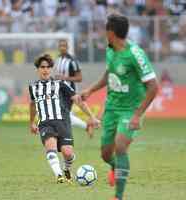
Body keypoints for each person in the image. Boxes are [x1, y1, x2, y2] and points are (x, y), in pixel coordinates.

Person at [81, 14, 159, 200]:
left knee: (121, 145)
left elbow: (154, 86)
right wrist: (90, 90)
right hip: (112, 107)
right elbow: (110, 74)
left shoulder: (135, 54)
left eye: (105, 30)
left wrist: (137, 115)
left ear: (110, 32)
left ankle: (118, 197)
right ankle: (116, 167)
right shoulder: (110, 50)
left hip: (130, 109)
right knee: (106, 154)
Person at [29, 54, 100, 184]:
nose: (45, 69)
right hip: (45, 123)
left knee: (68, 153)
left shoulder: (60, 84)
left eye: (48, 67)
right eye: (42, 67)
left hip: (63, 122)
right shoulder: (33, 87)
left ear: (51, 69)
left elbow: (78, 100)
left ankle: (66, 168)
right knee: (50, 148)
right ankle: (59, 175)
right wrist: (32, 123)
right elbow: (33, 104)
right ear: (38, 69)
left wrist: (92, 117)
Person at [54, 39, 92, 133]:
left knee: (63, 114)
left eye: (64, 46)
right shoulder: (58, 59)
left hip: (68, 91)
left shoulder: (72, 61)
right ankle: (86, 127)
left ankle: (85, 126)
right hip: (58, 90)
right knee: (63, 114)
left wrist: (64, 78)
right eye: (60, 46)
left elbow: (79, 78)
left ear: (67, 47)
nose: (62, 48)